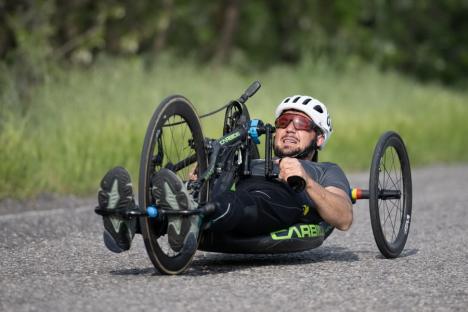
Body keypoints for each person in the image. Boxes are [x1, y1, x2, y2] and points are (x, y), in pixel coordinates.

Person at [97, 95, 353, 253]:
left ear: (319, 138)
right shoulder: (254, 159)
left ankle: (192, 215)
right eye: (283, 122)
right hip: (234, 199)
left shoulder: (325, 171)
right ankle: (128, 218)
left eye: (301, 124)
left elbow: (343, 217)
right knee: (208, 193)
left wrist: (305, 180)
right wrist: (203, 176)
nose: (288, 129)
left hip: (283, 203)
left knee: (246, 203)